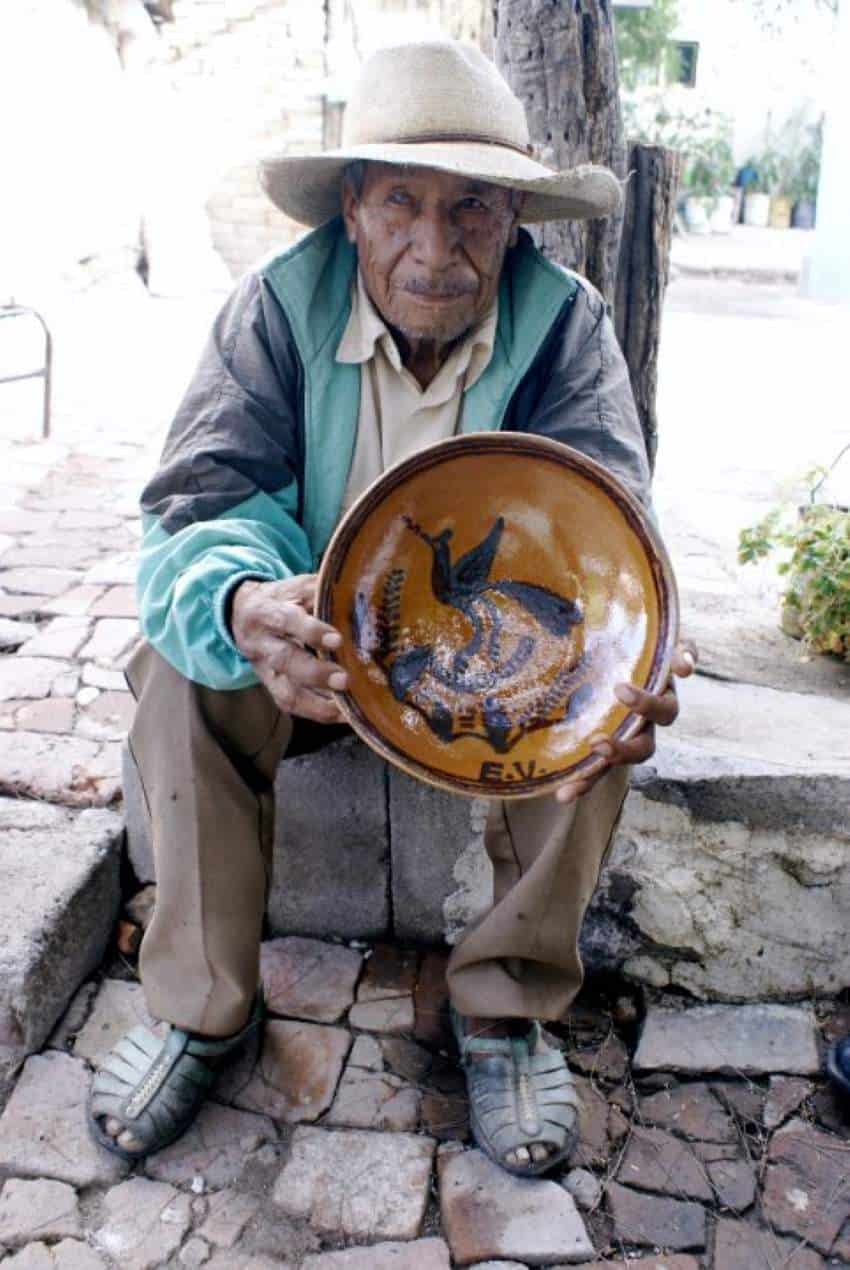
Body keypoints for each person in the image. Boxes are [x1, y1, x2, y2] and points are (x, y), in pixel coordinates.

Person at [88, 38, 696, 1177]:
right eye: (402, 204)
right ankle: (203, 1008)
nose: (435, 247)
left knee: (604, 706)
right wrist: (245, 602)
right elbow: (201, 502)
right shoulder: (274, 310)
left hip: (485, 674)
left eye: (471, 208)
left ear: (512, 218)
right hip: (319, 656)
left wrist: (639, 653)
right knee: (181, 668)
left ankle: (503, 1008)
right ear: (353, 208)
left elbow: (609, 526)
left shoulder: (564, 324)